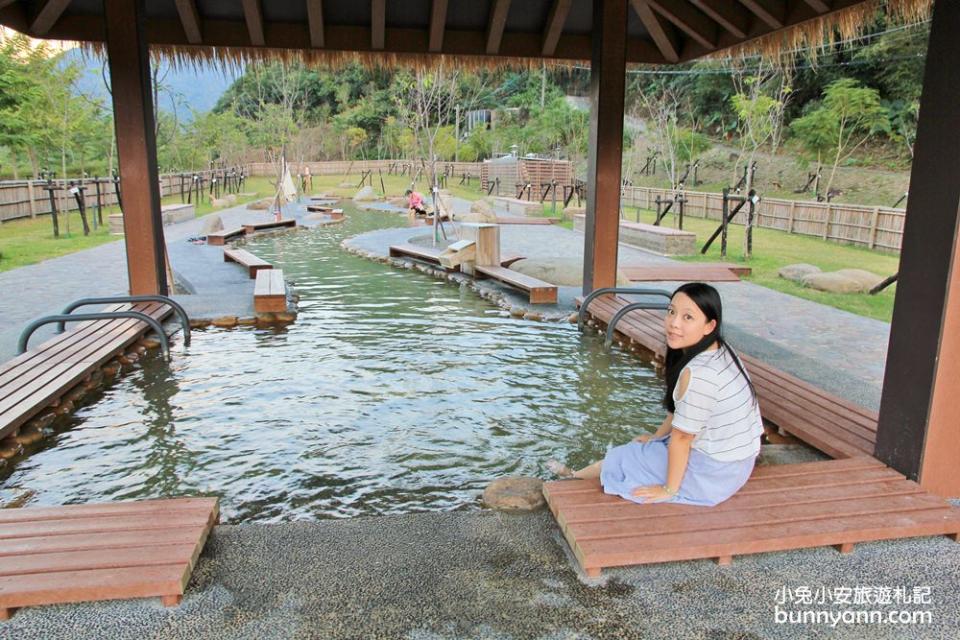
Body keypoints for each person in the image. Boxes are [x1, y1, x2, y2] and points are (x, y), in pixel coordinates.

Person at [548, 282, 762, 506]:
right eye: (671, 312)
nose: (674, 323)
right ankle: (575, 475)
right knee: (641, 447)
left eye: (688, 317)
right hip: (738, 465)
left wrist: (668, 489)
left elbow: (682, 438)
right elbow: (682, 411)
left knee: (624, 456)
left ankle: (572, 477)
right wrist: (657, 438)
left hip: (712, 475)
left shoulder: (699, 375)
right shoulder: (721, 350)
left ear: (709, 325)